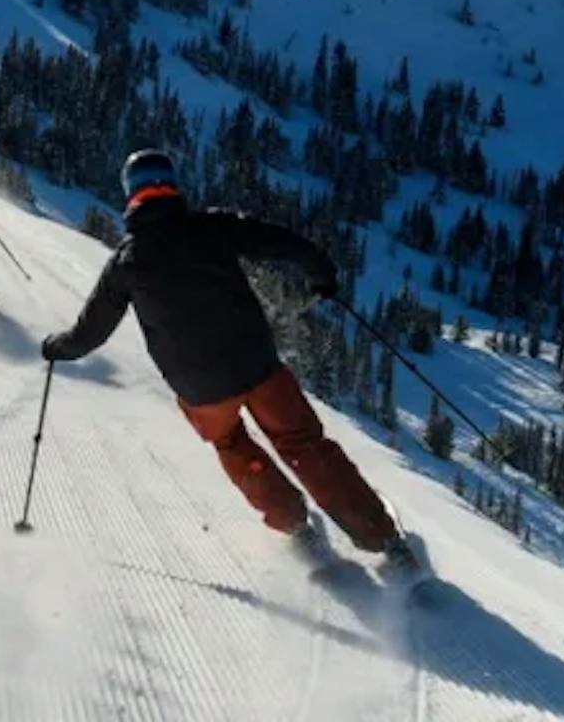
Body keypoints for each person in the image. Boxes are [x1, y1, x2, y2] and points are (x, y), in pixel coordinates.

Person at [41, 149, 412, 568]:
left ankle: (294, 526)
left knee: (232, 444)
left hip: (200, 388)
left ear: (130, 195)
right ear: (171, 184)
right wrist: (321, 274)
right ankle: (382, 541)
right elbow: (280, 241)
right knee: (303, 443)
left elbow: (90, 331)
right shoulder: (211, 227)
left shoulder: (125, 264)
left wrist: (58, 347)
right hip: (256, 364)